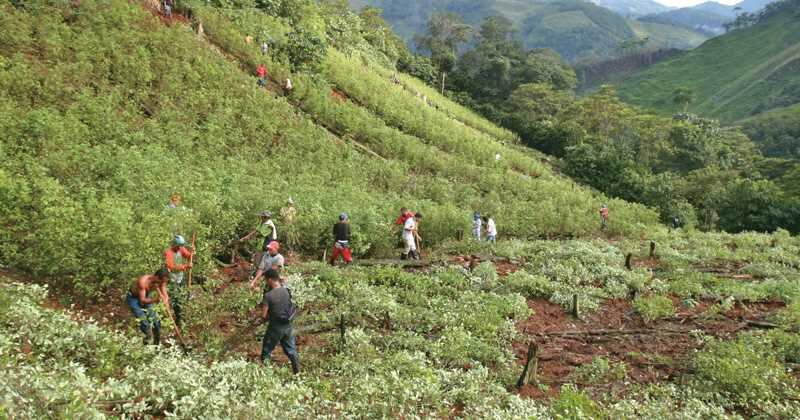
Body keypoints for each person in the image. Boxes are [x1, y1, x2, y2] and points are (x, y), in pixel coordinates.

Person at [259, 269, 300, 374]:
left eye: (266, 280)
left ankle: (266, 374)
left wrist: (264, 318)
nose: (266, 282)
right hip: (288, 325)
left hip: (275, 328)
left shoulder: (268, 296)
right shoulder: (286, 290)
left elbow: (263, 315)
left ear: (270, 280)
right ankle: (297, 372)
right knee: (291, 350)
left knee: (266, 351)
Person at [126, 268, 170, 345]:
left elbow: (165, 294)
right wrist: (156, 300)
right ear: (156, 277)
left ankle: (156, 344)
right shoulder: (143, 282)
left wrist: (165, 301)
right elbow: (142, 300)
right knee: (144, 322)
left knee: (156, 322)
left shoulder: (162, 281)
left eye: (164, 282)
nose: (162, 283)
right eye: (161, 281)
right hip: (133, 298)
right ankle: (147, 343)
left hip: (147, 296)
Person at [165, 235, 194, 327]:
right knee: (176, 300)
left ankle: (185, 313)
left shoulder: (181, 249)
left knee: (184, 294)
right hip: (172, 279)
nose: (180, 247)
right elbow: (171, 267)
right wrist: (185, 266)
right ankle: (178, 319)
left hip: (180, 277)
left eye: (181, 246)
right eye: (178, 246)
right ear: (174, 244)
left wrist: (192, 252)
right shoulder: (168, 253)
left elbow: (189, 256)